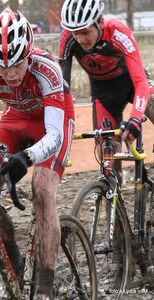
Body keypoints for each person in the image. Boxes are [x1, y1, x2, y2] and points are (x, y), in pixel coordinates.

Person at [0, 7, 75, 299]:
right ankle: (16, 265)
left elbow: (55, 135)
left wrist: (28, 158)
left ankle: (44, 288)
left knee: (42, 190)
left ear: (28, 54)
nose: (9, 73)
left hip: (52, 123)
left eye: (17, 65)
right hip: (14, 121)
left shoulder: (46, 69)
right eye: (1, 66)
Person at [59, 0, 154, 185]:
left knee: (152, 102)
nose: (80, 39)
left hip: (132, 82)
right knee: (107, 152)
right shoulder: (67, 39)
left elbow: (140, 82)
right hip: (103, 93)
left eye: (86, 32)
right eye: (75, 33)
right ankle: (113, 204)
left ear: (100, 22)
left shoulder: (119, 33)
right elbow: (62, 89)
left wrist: (135, 118)